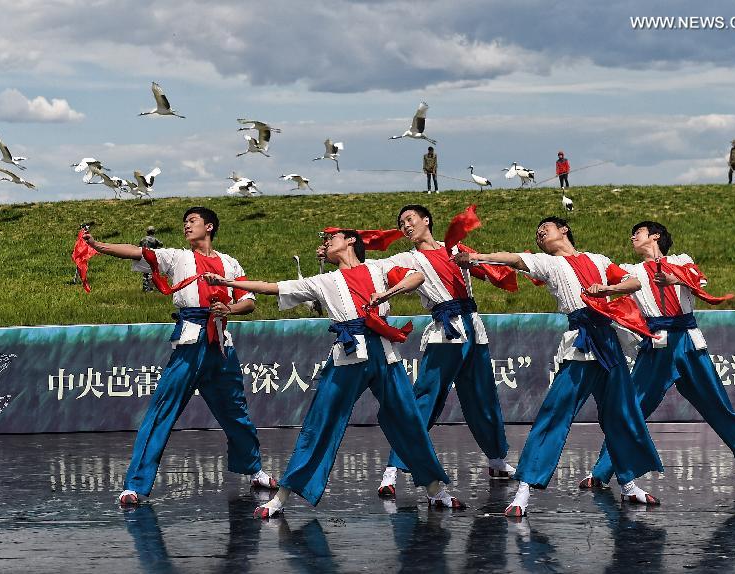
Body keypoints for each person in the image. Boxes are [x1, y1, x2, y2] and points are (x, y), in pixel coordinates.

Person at [205, 229, 465, 518]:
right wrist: (227, 282)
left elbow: (416, 277)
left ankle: (435, 491)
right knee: (320, 423)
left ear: (351, 240)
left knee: (409, 420)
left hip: (384, 353)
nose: (326, 243)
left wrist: (386, 293)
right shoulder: (324, 281)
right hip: (348, 355)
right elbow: (272, 287)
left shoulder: (378, 267)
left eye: (332, 237)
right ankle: (280, 498)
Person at [455, 217, 664, 517]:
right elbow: (514, 259)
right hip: (581, 343)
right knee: (555, 414)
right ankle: (524, 490)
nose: (540, 233)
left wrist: (607, 290)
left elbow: (634, 282)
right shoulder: (547, 263)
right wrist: (477, 256)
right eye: (537, 234)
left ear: (564, 229)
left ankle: (629, 484)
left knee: (622, 415)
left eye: (545, 228)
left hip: (608, 342)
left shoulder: (598, 260)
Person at [83, 206, 277, 505]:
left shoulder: (229, 263)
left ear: (209, 226)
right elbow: (138, 253)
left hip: (221, 343)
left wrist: (230, 309)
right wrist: (99, 246)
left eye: (193, 221)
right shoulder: (177, 257)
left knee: (236, 412)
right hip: (189, 341)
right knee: (162, 410)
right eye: (185, 222)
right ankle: (135, 484)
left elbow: (248, 301)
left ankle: (254, 469)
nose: (186, 226)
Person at [579, 221, 735, 490]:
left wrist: (674, 278)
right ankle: (601, 472)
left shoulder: (682, 260)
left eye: (636, 233)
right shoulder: (631, 270)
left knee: (717, 406)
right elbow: (625, 284)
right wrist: (605, 289)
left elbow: (699, 281)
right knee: (632, 409)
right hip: (657, 345)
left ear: (655, 236)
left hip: (688, 341)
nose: (631, 238)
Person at [373, 205, 515, 498]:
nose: (406, 226)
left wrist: (476, 262)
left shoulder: (456, 249)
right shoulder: (407, 258)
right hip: (445, 331)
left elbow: (490, 271)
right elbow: (373, 267)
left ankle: (496, 459)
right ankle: (393, 468)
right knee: (425, 399)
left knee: (483, 397)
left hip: (473, 329)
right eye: (401, 223)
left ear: (426, 220)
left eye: (410, 219)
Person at [138, 225, 164, 292]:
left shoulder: (142, 239)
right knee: (151, 272)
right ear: (153, 232)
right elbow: (161, 244)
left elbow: (139, 246)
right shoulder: (154, 239)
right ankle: (151, 288)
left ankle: (145, 288)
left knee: (145, 273)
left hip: (143, 257)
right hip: (151, 257)